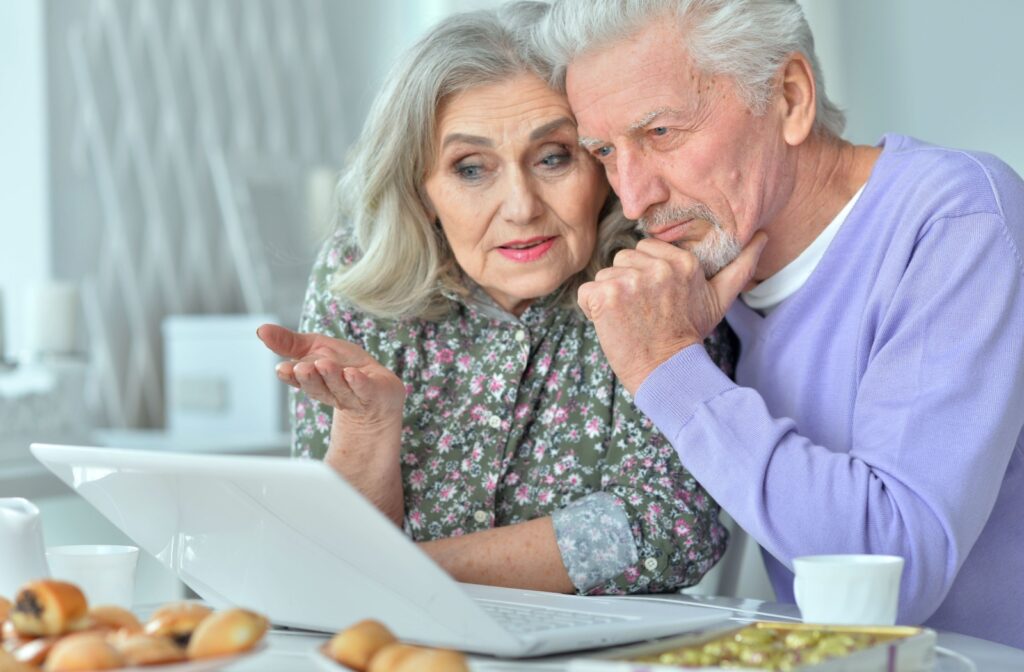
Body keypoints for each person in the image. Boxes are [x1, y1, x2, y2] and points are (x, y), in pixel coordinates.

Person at [538, 0, 1024, 647]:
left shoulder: (955, 218)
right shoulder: (700, 263)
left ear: (790, 97)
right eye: (603, 151)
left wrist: (667, 366)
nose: (633, 198)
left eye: (660, 134)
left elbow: (889, 573)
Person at [257, 1, 733, 597]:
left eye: (553, 157)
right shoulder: (362, 272)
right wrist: (366, 426)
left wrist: (399, 572)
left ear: (600, 161)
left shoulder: (651, 278)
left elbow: (668, 529)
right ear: (422, 191)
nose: (521, 206)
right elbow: (328, 555)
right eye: (472, 168)